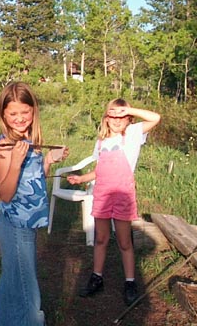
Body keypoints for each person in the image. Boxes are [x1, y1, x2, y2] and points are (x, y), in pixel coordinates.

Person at [67, 99, 161, 306]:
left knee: (124, 241)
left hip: (122, 195)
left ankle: (130, 282)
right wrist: (81, 179)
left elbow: (156, 118)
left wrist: (129, 109)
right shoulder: (101, 142)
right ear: (106, 118)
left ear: (129, 119)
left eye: (122, 116)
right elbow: (99, 170)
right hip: (102, 193)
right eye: (113, 115)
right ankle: (96, 278)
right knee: (101, 238)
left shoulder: (133, 134)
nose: (117, 120)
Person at [0, 82, 68, 326]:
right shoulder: (5, 145)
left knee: (13, 285)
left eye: (25, 112)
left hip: (27, 224)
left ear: (33, 110)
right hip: (14, 225)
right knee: (28, 293)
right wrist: (15, 162)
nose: (20, 118)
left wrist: (48, 160)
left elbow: (34, 181)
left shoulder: (30, 139)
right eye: (13, 113)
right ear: (3, 114)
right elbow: (5, 194)